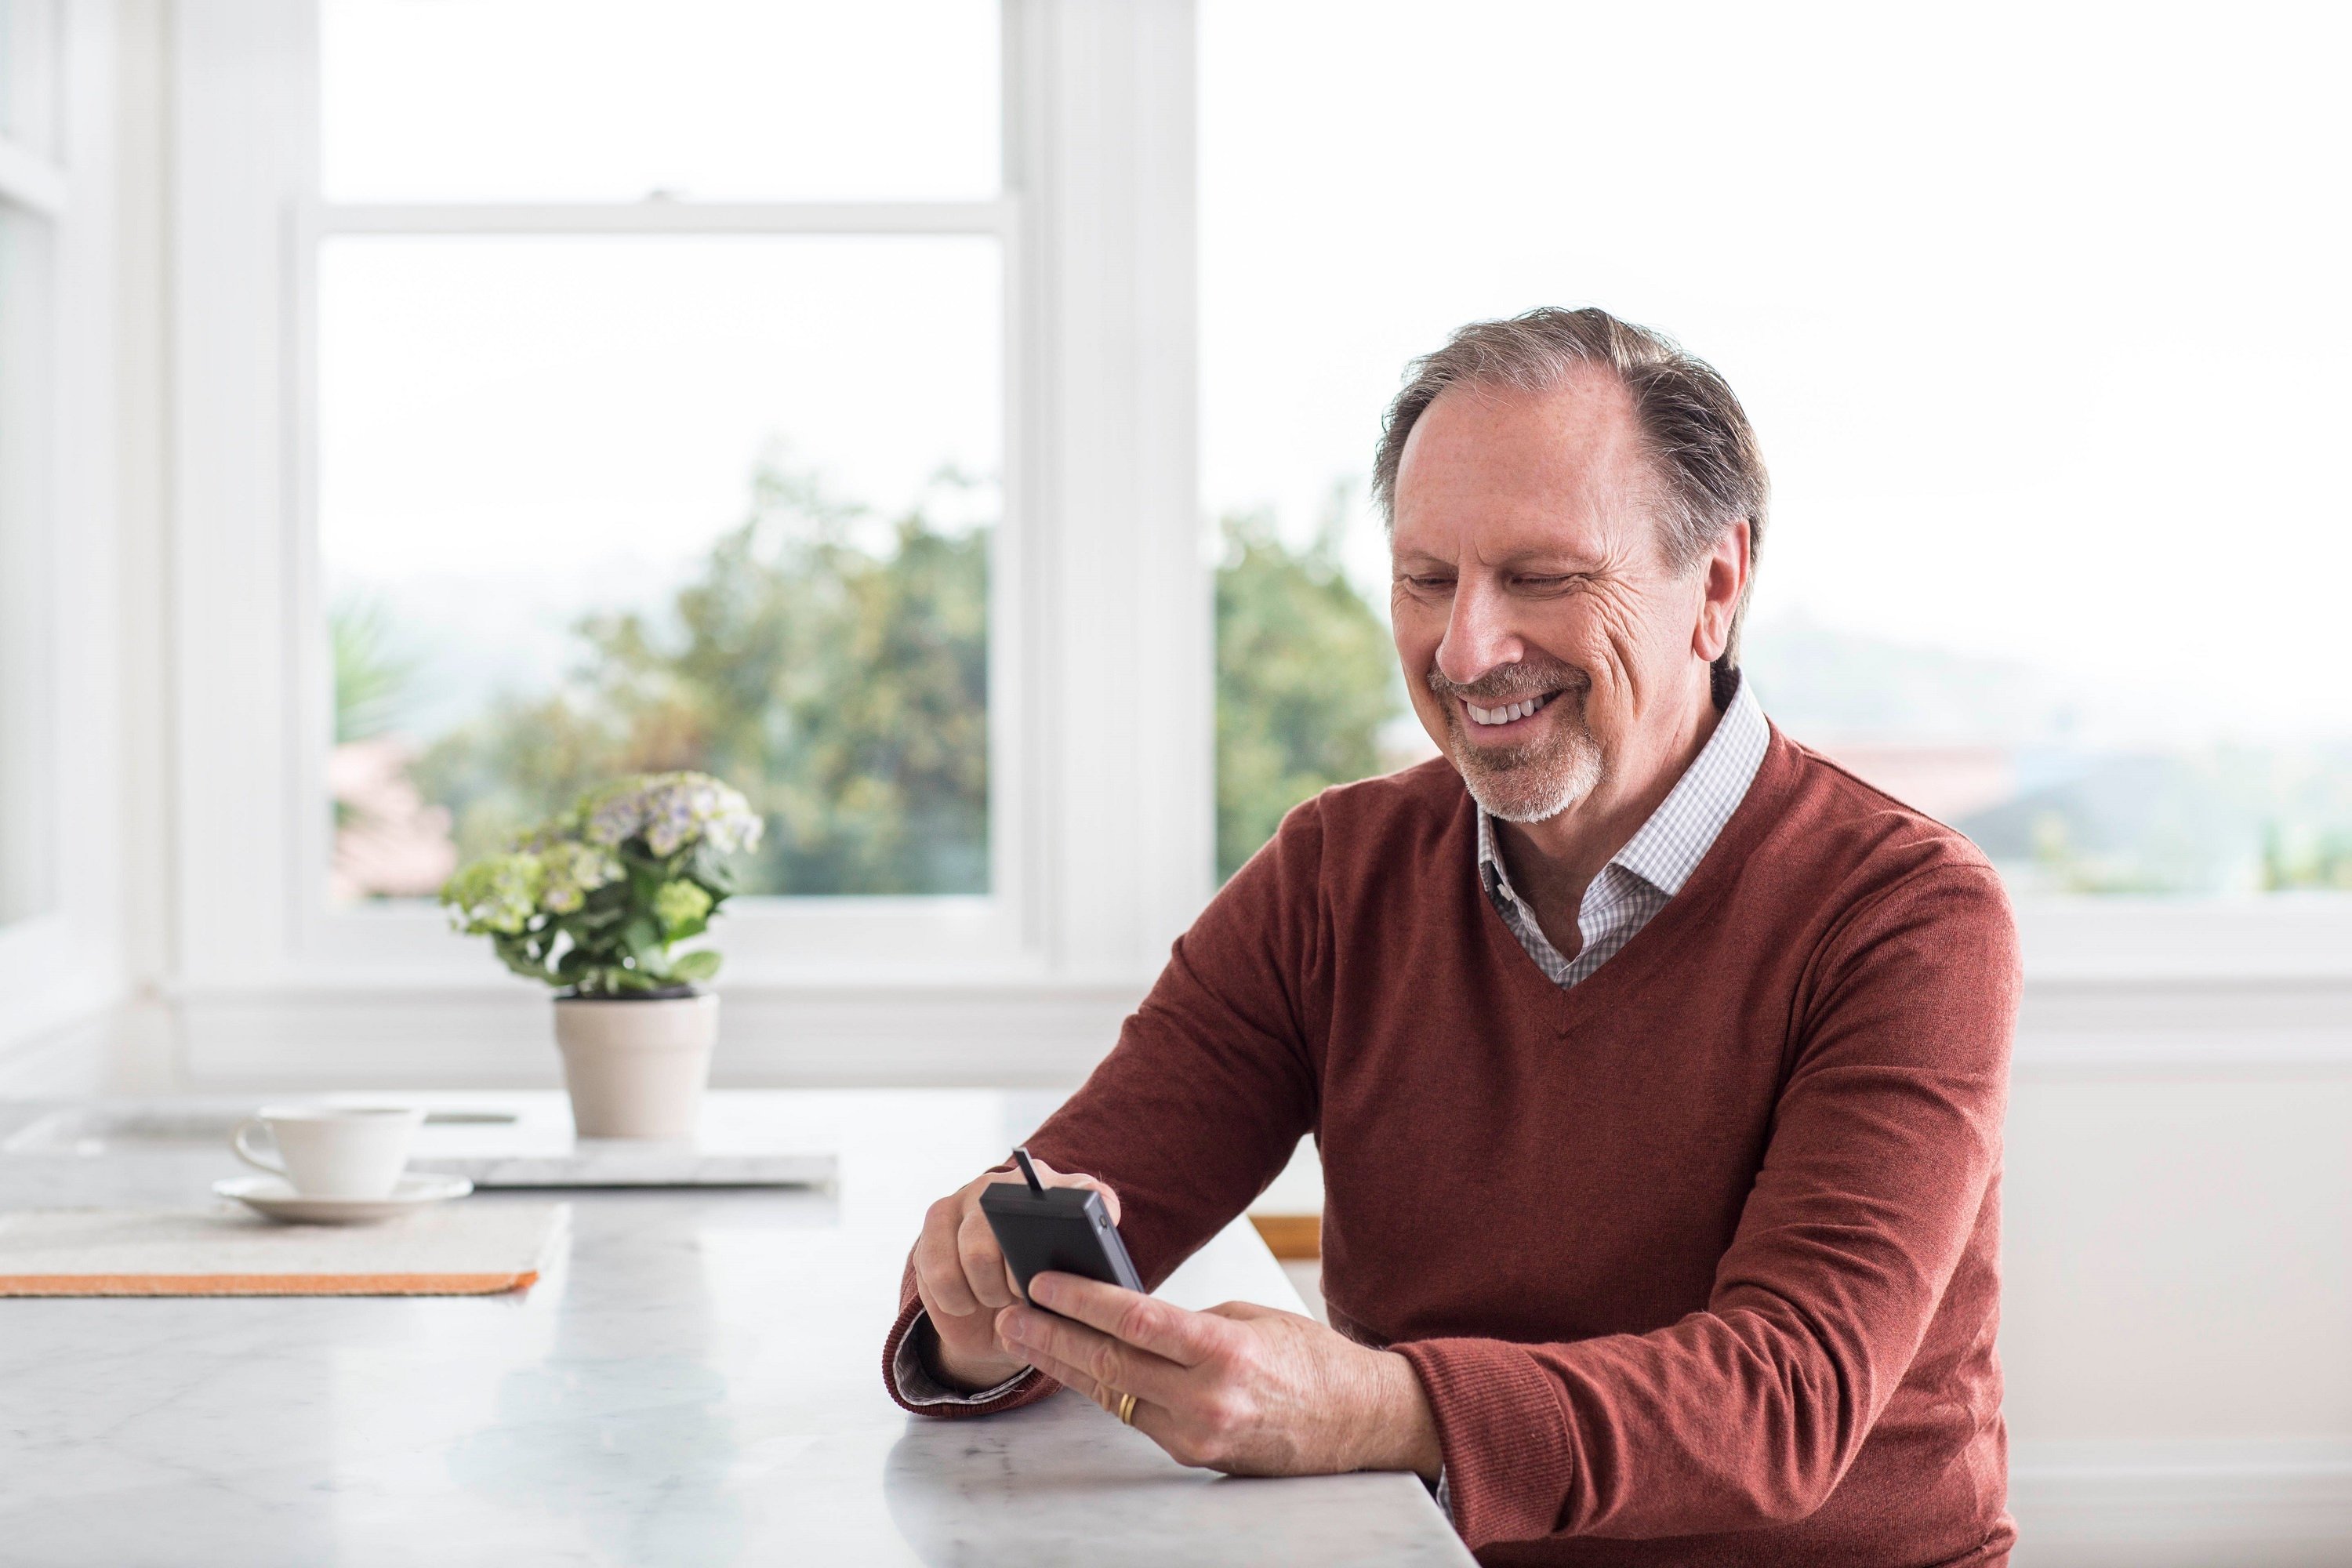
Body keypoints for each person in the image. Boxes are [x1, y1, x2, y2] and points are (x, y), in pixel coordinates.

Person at [880, 306, 2018, 1566]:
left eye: (1540, 577)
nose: (1466, 648)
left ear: (1715, 583)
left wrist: (1374, 1407)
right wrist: (981, 1307)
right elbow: (1088, 1199)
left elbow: (1784, 1404)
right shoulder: (1335, 873)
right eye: (1426, 580)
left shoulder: (1909, 914)